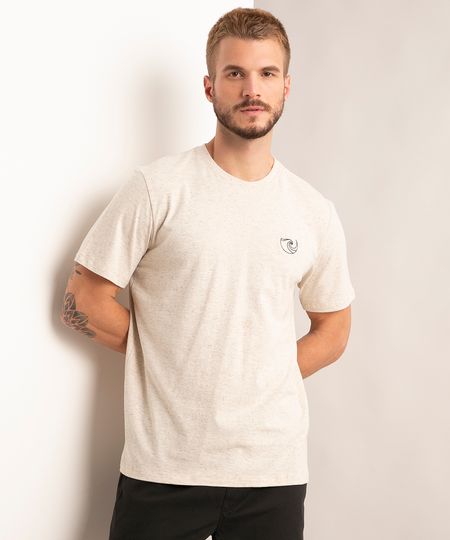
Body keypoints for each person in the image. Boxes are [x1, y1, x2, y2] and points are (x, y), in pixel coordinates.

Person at [61, 7, 355, 540]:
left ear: (287, 87)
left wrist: (261, 372)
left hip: (273, 472)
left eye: (267, 73)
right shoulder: (157, 188)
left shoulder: (313, 211)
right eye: (235, 73)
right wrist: (168, 355)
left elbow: (334, 328)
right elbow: (83, 299)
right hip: (164, 468)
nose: (252, 89)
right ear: (209, 86)